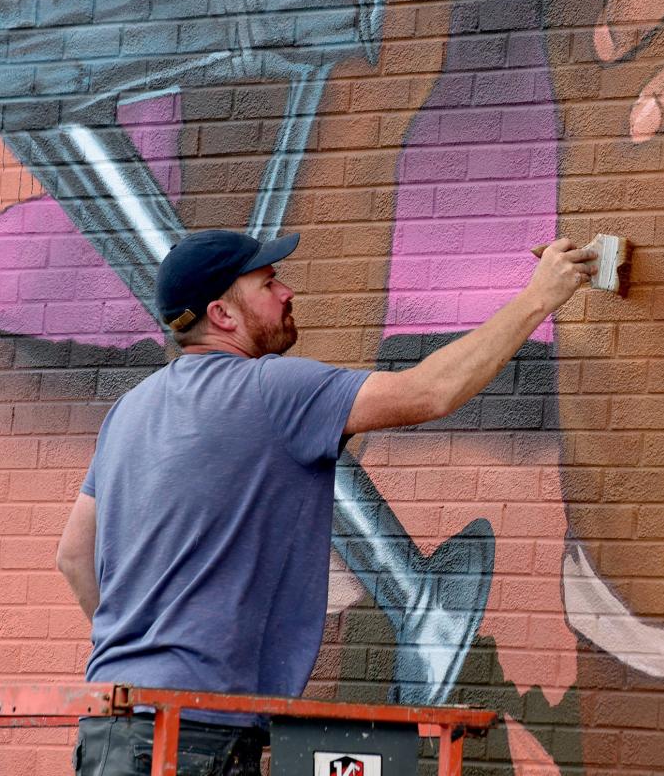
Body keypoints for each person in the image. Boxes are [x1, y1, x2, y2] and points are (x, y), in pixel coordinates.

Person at [54, 227, 594, 776]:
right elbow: (428, 391)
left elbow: (74, 555)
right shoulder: (271, 389)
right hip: (193, 732)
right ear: (223, 314)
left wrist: (149, 649)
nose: (286, 291)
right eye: (267, 283)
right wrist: (538, 298)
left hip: (112, 723)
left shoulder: (129, 411)